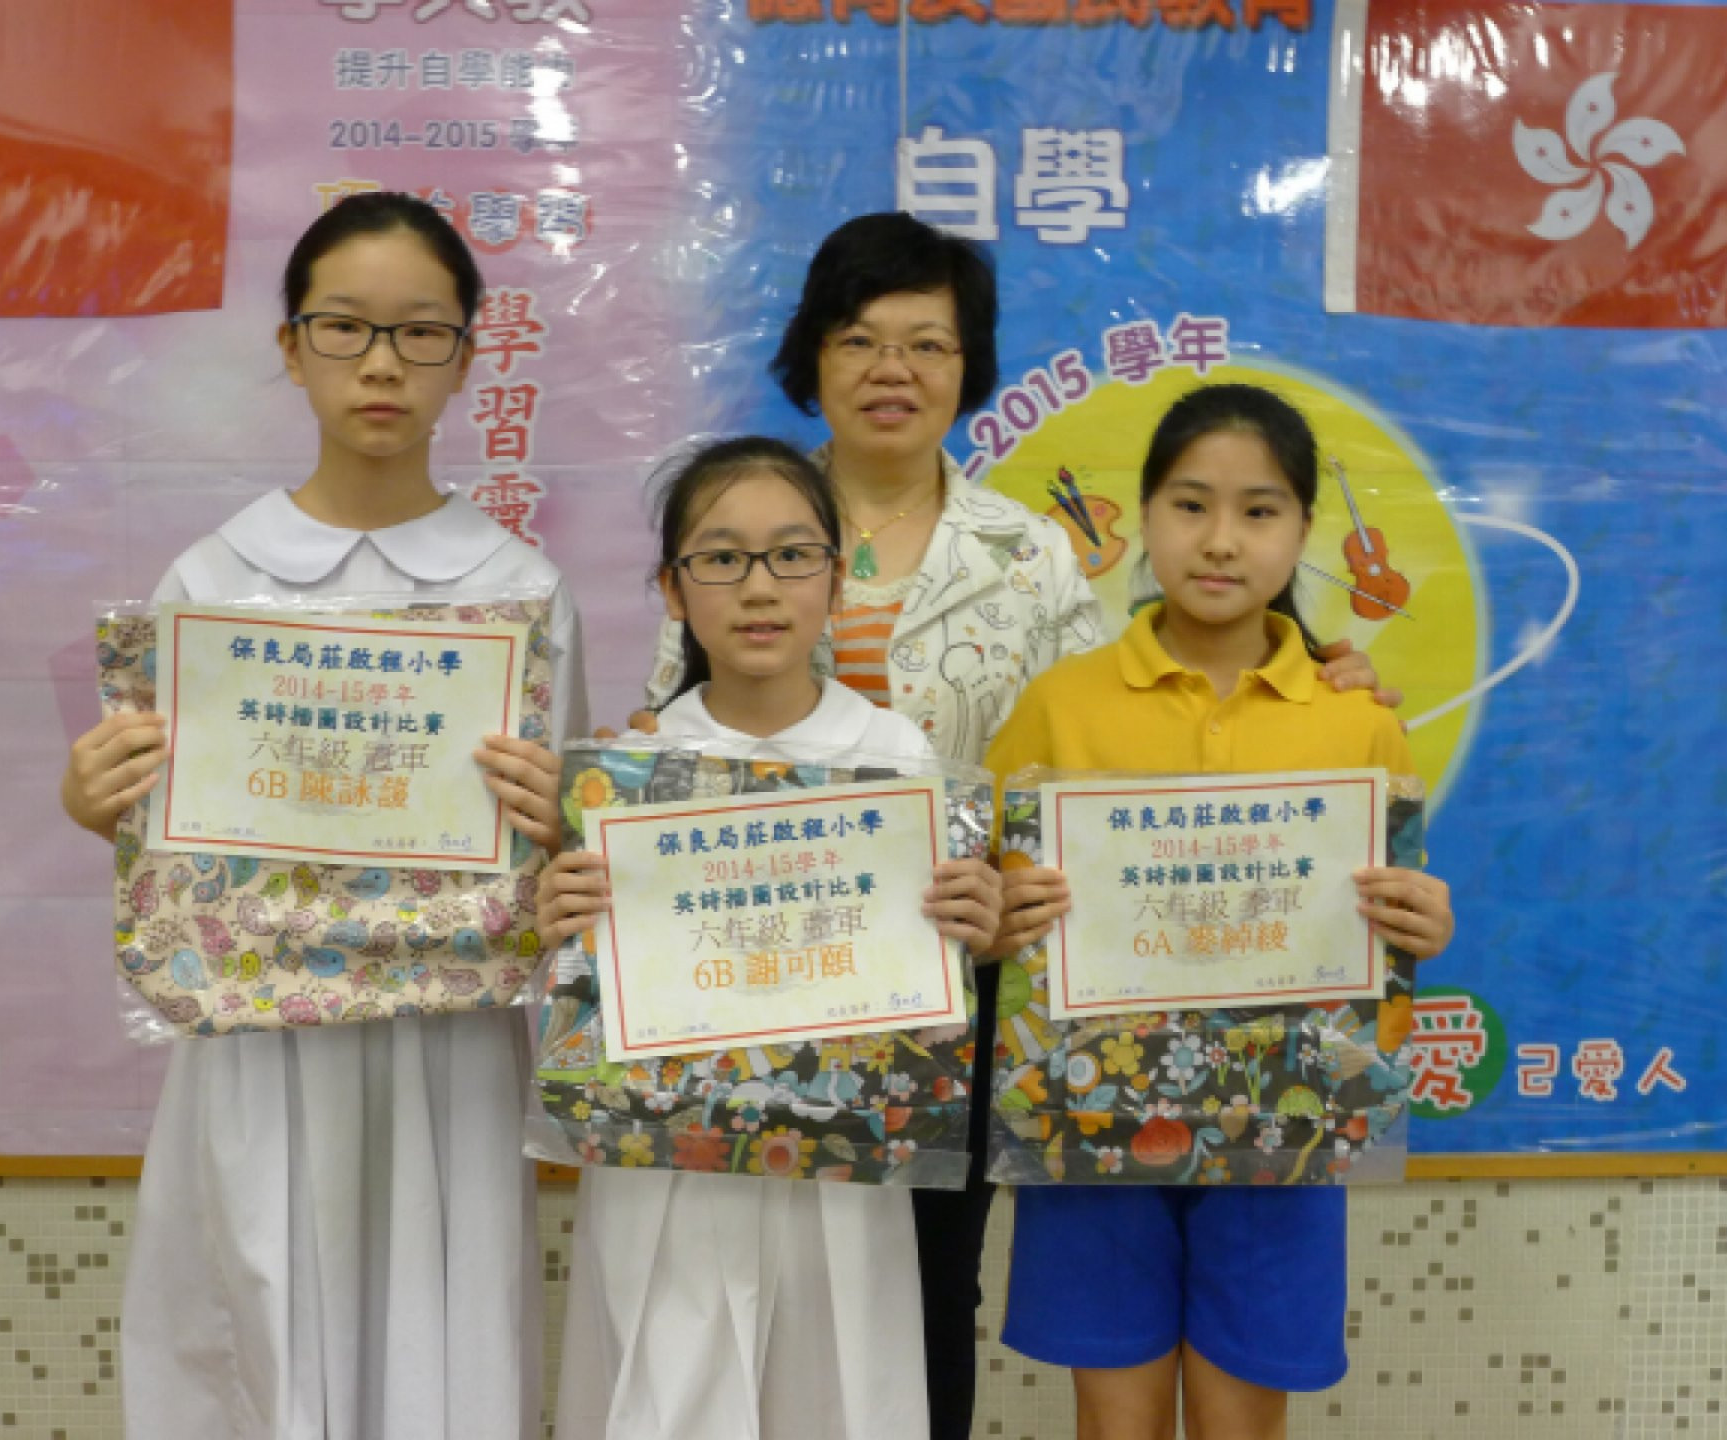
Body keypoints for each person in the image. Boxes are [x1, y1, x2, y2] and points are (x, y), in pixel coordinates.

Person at [638, 212, 1392, 1439]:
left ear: (968, 365)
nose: (892, 369)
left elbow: (1111, 762)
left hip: (968, 982)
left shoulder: (1029, 555)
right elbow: (672, 735)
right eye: (859, 338)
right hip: (759, 973)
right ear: (812, 355)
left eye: (928, 343)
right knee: (739, 1279)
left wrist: (1316, 673)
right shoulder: (745, 517)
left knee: (930, 1282)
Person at [58, 191, 586, 1440]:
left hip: (448, 1039)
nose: (382, 364)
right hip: (256, 1031)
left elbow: (554, 836)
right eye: (345, 327)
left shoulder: (520, 591)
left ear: (466, 356)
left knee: (442, 1323)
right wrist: (96, 803)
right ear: (292, 349)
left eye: (421, 332)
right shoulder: (211, 581)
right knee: (258, 1315)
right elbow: (167, 833)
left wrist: (562, 822)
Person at [983, 384, 1453, 1440]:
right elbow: (991, 909)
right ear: (1148, 515)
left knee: (1243, 1424)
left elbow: (1386, 926)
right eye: (1191, 504)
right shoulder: (1061, 704)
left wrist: (1419, 928)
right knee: (1117, 1425)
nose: (1222, 540)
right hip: (1092, 1121)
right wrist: (1003, 919)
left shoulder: (1357, 723)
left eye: (1259, 510)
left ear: (1303, 530)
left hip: (1282, 1121)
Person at [531, 436, 1005, 1440]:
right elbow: (581, 1005)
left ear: (837, 579)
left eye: (792, 554)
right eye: (721, 557)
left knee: (836, 1387)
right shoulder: (630, 773)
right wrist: (561, 926)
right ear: (673, 589)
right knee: (670, 1389)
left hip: (843, 1166)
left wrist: (973, 928)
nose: (759, 587)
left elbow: (935, 1001)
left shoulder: (897, 759)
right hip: (669, 1171)